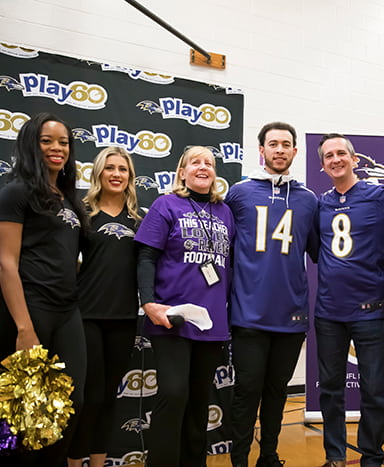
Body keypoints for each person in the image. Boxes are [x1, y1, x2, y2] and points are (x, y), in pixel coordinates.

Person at [0, 112, 88, 466]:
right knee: (22, 413)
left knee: (71, 403)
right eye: (47, 141)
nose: (57, 148)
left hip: (66, 311)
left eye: (63, 142)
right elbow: (6, 264)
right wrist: (24, 327)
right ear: (32, 144)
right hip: (29, 309)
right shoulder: (15, 192)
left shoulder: (67, 198)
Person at [134, 146, 234, 467]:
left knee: (199, 402)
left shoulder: (225, 213)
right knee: (174, 394)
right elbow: (147, 256)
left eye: (209, 163)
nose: (203, 167)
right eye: (196, 162)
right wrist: (148, 302)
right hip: (172, 317)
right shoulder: (167, 204)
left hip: (212, 322)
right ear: (182, 172)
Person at [226, 122, 319, 467]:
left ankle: (268, 456)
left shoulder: (309, 200)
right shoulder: (238, 193)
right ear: (261, 150)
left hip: (291, 316)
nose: (279, 150)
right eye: (273, 144)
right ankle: (238, 460)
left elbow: (319, 252)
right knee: (247, 391)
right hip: (248, 313)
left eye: (286, 144)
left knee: (277, 392)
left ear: (295, 151)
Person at [314, 134, 384, 467]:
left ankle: (372, 457)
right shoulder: (319, 203)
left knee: (374, 390)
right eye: (328, 156)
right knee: (331, 390)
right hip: (328, 313)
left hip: (370, 311)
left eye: (341, 153)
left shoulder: (381, 197)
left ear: (354, 159)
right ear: (322, 165)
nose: (335, 159)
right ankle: (334, 455)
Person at [67, 147, 143, 467]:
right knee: (88, 398)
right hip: (86, 316)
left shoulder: (141, 220)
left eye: (122, 169)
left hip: (124, 318)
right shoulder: (82, 213)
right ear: (98, 173)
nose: (116, 174)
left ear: (130, 176)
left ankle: (98, 463)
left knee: (109, 397)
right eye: (109, 167)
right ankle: (73, 461)